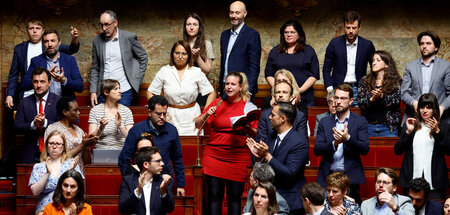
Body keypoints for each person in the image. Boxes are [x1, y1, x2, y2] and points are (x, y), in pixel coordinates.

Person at [195, 72, 258, 215]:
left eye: (233, 84)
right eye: (227, 84)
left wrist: (246, 126)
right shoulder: (217, 102)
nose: (229, 87)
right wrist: (206, 114)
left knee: (234, 198)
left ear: (240, 87)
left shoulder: (247, 106)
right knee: (214, 196)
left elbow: (255, 132)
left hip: (237, 156)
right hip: (214, 155)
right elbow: (198, 124)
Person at [247, 102, 309, 215]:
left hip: (290, 201)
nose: (269, 117)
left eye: (273, 115)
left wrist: (266, 155)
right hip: (270, 200)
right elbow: (266, 168)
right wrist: (258, 158)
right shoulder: (271, 136)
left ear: (283, 119)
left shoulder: (299, 142)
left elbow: (290, 173)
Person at [119, 95, 186, 196]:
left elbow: (177, 159)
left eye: (164, 113)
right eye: (158, 114)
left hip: (164, 180)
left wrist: (181, 185)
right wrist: (131, 181)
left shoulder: (172, 130)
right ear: (150, 112)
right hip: (140, 182)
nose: (162, 117)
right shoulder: (137, 130)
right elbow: (124, 159)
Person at [314, 83, 369, 205]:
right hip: (328, 176)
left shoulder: (360, 121)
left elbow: (365, 149)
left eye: (343, 98)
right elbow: (317, 149)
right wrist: (335, 143)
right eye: (336, 98)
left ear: (351, 101)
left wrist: (347, 138)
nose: (338, 102)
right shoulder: (324, 122)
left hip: (350, 178)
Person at [6, 19, 79, 108]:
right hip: (29, 91)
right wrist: (10, 94)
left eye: (38, 28)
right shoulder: (20, 49)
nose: (34, 31)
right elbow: (14, 74)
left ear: (42, 31)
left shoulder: (50, 45)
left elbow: (72, 49)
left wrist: (74, 39)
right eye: (31, 28)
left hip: (50, 93)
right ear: (27, 30)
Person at [147, 40, 215, 135]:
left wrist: (204, 113)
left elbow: (211, 92)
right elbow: (150, 92)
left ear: (188, 56)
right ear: (172, 54)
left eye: (184, 54)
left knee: (191, 146)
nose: (180, 56)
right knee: (170, 144)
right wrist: (159, 111)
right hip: (170, 114)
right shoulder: (165, 71)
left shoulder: (196, 72)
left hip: (192, 115)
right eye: (177, 53)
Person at [394, 93, 450, 199]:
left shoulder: (444, 127)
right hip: (411, 181)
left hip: (435, 182)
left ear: (434, 109)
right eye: (422, 107)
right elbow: (397, 150)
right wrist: (407, 132)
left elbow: (448, 150)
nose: (424, 110)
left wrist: (437, 132)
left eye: (428, 108)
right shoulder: (411, 124)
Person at [90, 10, 148, 106]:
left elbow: (143, 57)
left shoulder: (129, 37)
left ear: (115, 23)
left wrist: (137, 78)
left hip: (124, 91)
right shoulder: (97, 40)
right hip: (103, 92)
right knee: (102, 120)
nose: (104, 28)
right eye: (102, 25)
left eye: (107, 24)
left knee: (122, 120)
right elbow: (95, 68)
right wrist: (93, 91)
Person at [322, 11, 375, 106]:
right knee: (337, 119)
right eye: (348, 27)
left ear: (359, 28)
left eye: (354, 28)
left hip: (358, 89)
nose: (351, 31)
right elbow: (326, 68)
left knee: (357, 118)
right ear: (344, 26)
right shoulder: (334, 43)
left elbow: (374, 68)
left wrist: (369, 87)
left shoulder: (367, 45)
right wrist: (330, 89)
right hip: (338, 88)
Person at [265, 20, 319, 109]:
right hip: (280, 97)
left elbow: (314, 75)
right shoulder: (275, 51)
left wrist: (298, 91)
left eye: (292, 32)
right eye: (286, 32)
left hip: (304, 96)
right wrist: (280, 90)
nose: (288, 35)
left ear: (299, 34)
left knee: (301, 121)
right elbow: (269, 74)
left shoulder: (309, 51)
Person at [401, 30, 450, 124]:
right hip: (415, 118)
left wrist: (442, 107)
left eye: (428, 43)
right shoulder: (410, 66)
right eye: (422, 43)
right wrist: (413, 102)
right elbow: (404, 92)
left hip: (439, 119)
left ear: (436, 47)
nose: (424, 46)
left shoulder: (446, 66)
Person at [29, 130, 82, 215]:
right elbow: (35, 192)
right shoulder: (38, 167)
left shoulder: (71, 163)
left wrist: (70, 170)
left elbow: (80, 189)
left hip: (67, 205)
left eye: (58, 144)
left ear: (64, 147)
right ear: (47, 146)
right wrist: (47, 173)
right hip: (45, 208)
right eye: (51, 143)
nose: (54, 146)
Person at [14, 68, 61, 163]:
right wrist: (33, 124)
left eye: (42, 82)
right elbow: (17, 126)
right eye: (36, 82)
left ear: (49, 83)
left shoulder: (58, 101)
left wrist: (45, 123)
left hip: (53, 152)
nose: (39, 85)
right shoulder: (24, 102)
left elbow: (63, 126)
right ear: (32, 83)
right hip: (30, 151)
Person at [22, 29, 84, 99]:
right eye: (46, 41)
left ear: (59, 42)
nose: (50, 44)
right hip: (43, 104)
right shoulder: (36, 61)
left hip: (65, 105)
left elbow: (80, 87)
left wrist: (64, 81)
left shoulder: (70, 60)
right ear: (43, 44)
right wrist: (45, 76)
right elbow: (25, 84)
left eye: (53, 41)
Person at [219, 1, 261, 100]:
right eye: (231, 12)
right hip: (226, 88)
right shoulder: (224, 35)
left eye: (237, 13)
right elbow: (224, 62)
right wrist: (221, 88)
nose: (234, 16)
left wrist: (248, 91)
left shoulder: (252, 35)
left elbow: (254, 66)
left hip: (243, 89)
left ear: (245, 13)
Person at [44, 97, 99, 172]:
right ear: (65, 112)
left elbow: (87, 162)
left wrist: (86, 147)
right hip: (61, 176)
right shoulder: (53, 129)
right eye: (75, 110)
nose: (79, 112)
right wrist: (82, 145)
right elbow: (56, 158)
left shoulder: (79, 131)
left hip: (78, 176)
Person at [356, 50, 402, 137]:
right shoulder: (365, 80)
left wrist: (382, 96)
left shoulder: (395, 81)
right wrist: (371, 98)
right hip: (368, 126)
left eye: (378, 60)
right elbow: (360, 101)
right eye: (373, 60)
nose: (374, 63)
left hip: (388, 127)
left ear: (386, 64)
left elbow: (396, 100)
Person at [118, 147, 175, 215]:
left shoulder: (162, 180)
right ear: (146, 164)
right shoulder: (128, 180)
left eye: (161, 160)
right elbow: (122, 209)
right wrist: (138, 190)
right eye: (158, 161)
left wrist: (163, 190)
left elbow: (170, 209)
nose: (162, 163)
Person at [88, 79, 134, 149]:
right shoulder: (95, 110)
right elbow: (90, 138)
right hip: (101, 152)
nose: (120, 91)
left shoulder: (126, 111)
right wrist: (101, 128)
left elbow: (131, 138)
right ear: (106, 92)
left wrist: (120, 126)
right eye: (116, 89)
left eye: (119, 88)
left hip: (120, 152)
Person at [183, 12, 215, 106]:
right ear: (185, 27)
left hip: (200, 90)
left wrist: (197, 58)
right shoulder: (181, 45)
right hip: (184, 89)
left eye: (195, 24)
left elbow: (207, 70)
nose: (191, 27)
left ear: (199, 27)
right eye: (189, 24)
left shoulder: (206, 44)